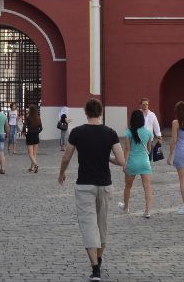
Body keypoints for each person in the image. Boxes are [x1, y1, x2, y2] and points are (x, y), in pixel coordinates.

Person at [58, 98, 125, 282]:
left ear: (85, 112)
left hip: (84, 184)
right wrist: (106, 158)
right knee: (102, 224)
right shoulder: (110, 133)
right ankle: (99, 259)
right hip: (105, 184)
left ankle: (95, 268)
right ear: (101, 112)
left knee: (88, 225)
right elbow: (120, 160)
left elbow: (66, 157)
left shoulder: (78, 132)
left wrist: (62, 173)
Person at [121, 108, 154, 218]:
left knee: (128, 186)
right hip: (144, 163)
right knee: (147, 187)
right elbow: (149, 150)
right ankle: (147, 211)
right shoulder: (148, 133)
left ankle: (126, 207)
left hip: (132, 163)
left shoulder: (128, 132)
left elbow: (127, 149)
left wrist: (124, 163)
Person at [138, 98, 162, 163]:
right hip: (139, 140)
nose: (145, 106)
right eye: (144, 104)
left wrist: (159, 136)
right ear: (140, 105)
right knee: (139, 157)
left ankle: (146, 170)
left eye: (147, 104)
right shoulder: (137, 114)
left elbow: (156, 126)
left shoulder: (152, 114)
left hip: (149, 140)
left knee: (148, 158)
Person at [23, 105, 42, 173]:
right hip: (36, 136)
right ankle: (31, 167)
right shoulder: (38, 118)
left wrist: (25, 133)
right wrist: (37, 132)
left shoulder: (28, 118)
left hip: (30, 135)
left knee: (30, 154)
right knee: (34, 153)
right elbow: (41, 128)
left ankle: (36, 165)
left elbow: (24, 126)